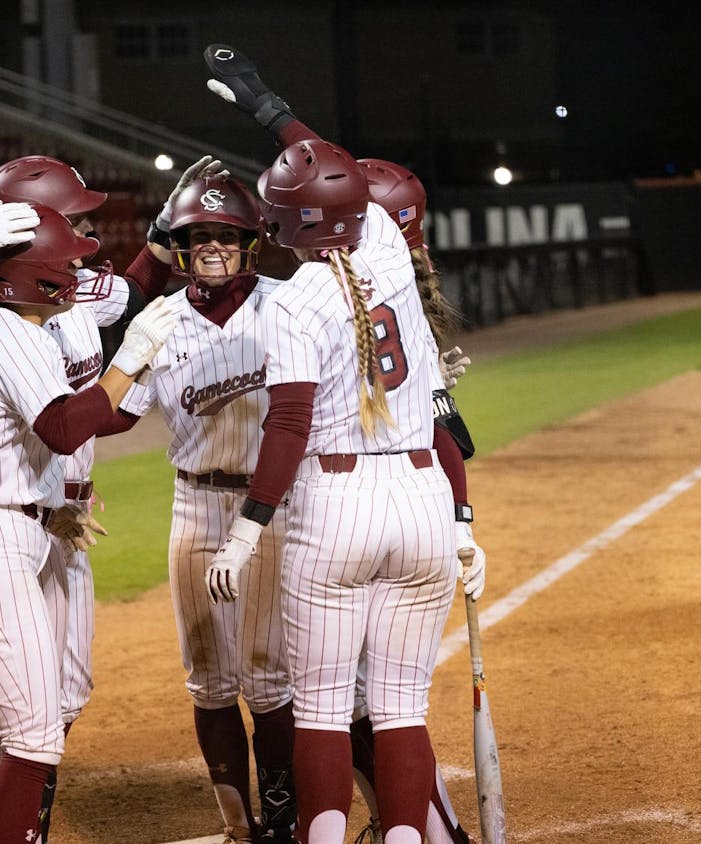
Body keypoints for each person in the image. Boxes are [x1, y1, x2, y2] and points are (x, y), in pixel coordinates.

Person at [206, 45, 484, 844]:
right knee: (400, 709)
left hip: (337, 504)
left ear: (283, 222)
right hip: (424, 495)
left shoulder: (295, 300)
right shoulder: (394, 251)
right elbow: (335, 171)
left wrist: (248, 528)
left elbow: (288, 424)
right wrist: (267, 104)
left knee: (325, 709)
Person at [0, 207, 179, 844]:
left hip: (11, 529)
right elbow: (62, 426)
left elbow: (87, 415)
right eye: (69, 259)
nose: (80, 264)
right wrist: (134, 356)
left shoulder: (9, 323)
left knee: (7, 736)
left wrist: (141, 375)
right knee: (34, 737)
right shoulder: (12, 332)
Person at [113, 171, 299, 843]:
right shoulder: (161, 319)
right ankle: (236, 824)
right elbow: (113, 419)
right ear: (181, 246)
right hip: (192, 506)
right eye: (199, 237)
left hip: (268, 509)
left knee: (267, 676)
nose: (212, 246)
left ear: (251, 243)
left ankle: (283, 818)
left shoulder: (286, 306)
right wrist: (124, 360)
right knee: (209, 681)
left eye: (226, 235)